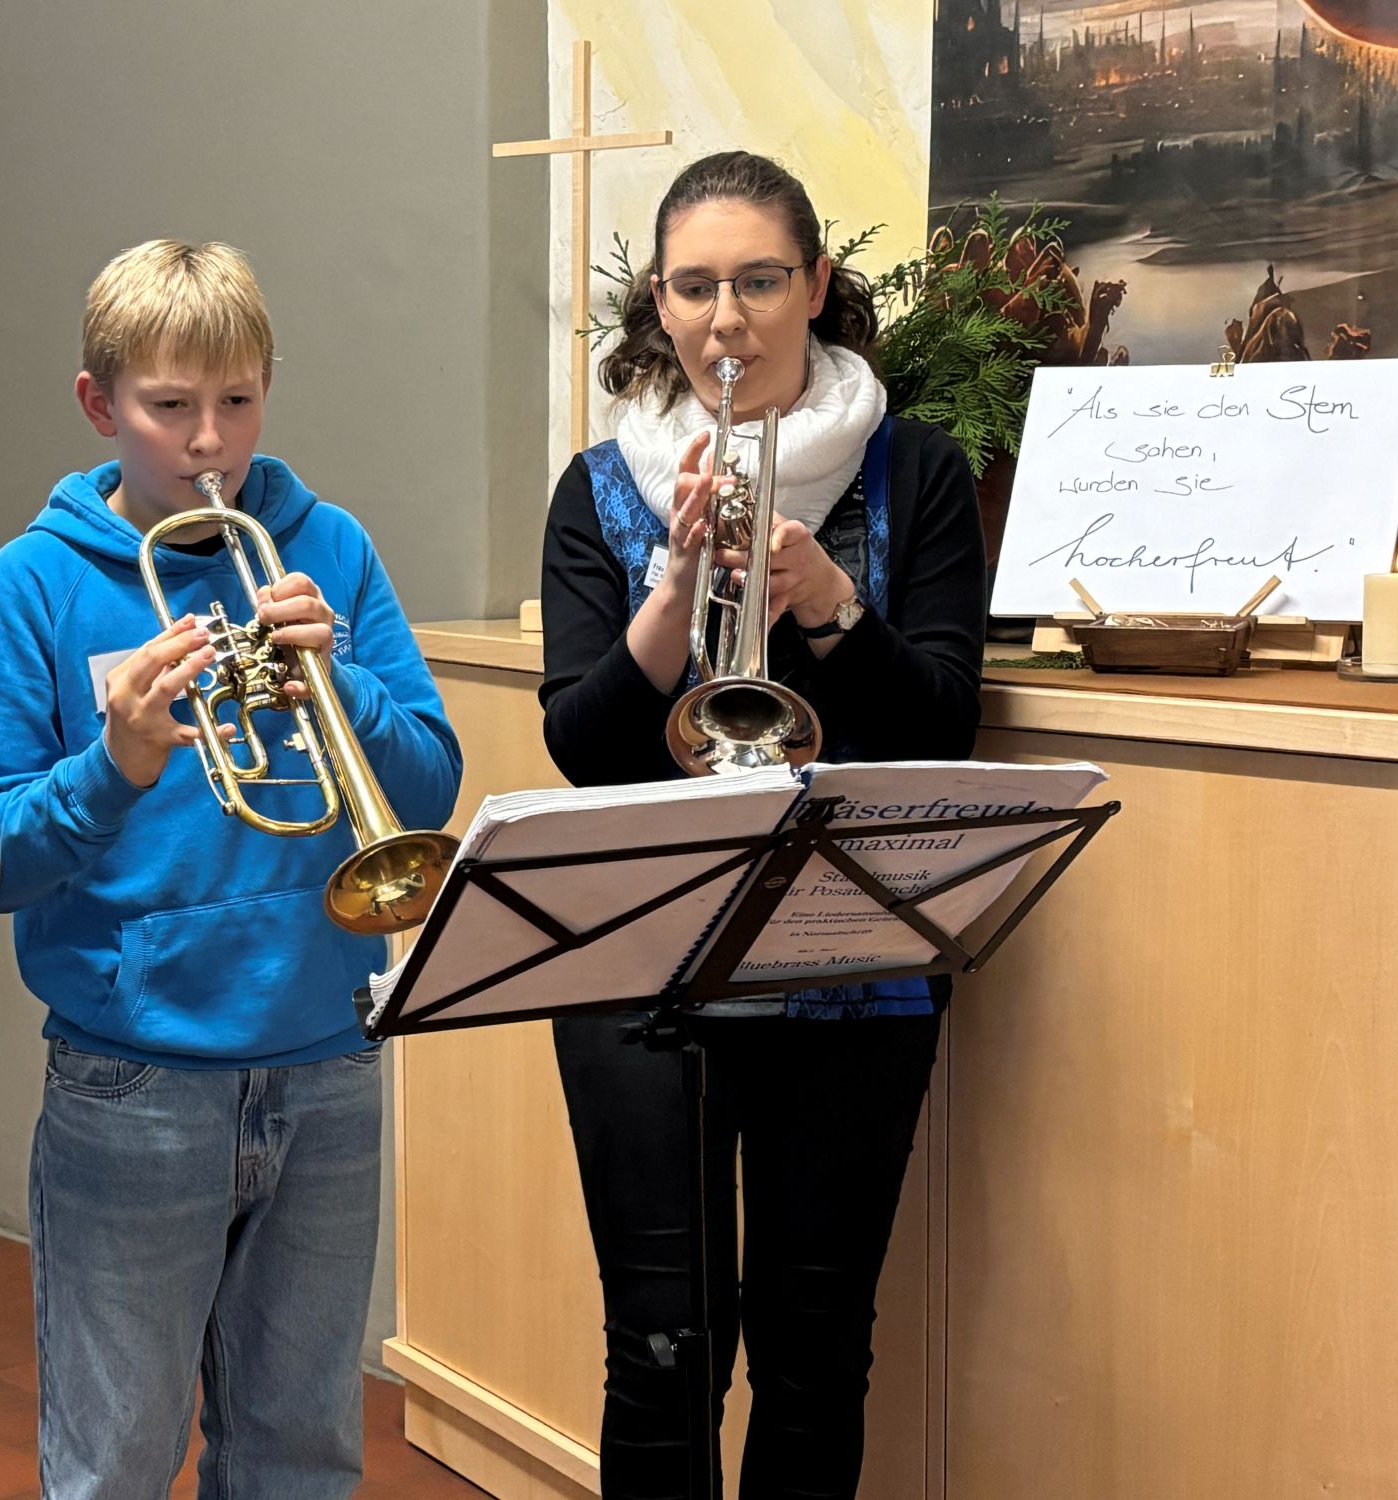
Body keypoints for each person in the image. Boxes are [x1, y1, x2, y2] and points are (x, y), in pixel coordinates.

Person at [0, 238, 462, 1499]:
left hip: (327, 1061)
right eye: (169, 406)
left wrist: (339, 680)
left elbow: (427, 786)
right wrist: (111, 766)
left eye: (237, 399)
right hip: (132, 1078)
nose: (209, 440)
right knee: (115, 1460)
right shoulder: (33, 581)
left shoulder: (327, 545)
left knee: (301, 1453)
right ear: (98, 404)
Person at [538, 151, 986, 1499]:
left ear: (816, 286)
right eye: (693, 287)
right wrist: (674, 588)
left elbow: (941, 729)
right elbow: (583, 750)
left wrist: (833, 606)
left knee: (816, 1347)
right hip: (641, 964)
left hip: (852, 961)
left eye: (758, 281)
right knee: (660, 1351)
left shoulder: (918, 471)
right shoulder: (599, 487)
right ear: (658, 305)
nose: (725, 319)